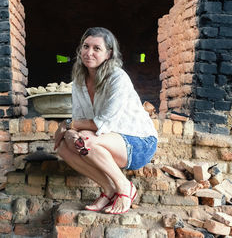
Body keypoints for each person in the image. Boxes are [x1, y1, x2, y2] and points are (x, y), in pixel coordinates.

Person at [54, 27, 158, 214]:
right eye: (85, 46)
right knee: (64, 144)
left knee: (84, 137)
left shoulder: (117, 78)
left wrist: (68, 125)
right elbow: (80, 118)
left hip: (139, 142)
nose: (89, 52)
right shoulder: (79, 80)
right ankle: (108, 190)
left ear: (109, 53)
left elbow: (102, 123)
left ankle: (125, 188)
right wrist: (69, 131)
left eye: (96, 48)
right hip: (108, 139)